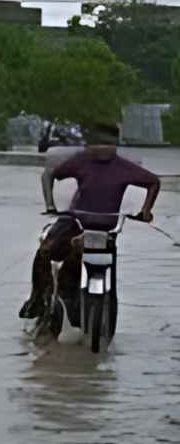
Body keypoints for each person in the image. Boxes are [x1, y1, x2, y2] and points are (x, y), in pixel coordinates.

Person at [19, 124, 161, 319]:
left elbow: (154, 182)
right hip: (73, 220)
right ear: (86, 145)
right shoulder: (80, 162)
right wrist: (51, 204)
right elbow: (52, 174)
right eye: (95, 143)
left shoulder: (125, 168)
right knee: (45, 249)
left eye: (106, 144)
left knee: (78, 257)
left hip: (104, 227)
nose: (100, 148)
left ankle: (72, 295)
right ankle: (37, 297)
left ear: (115, 145)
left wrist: (146, 210)